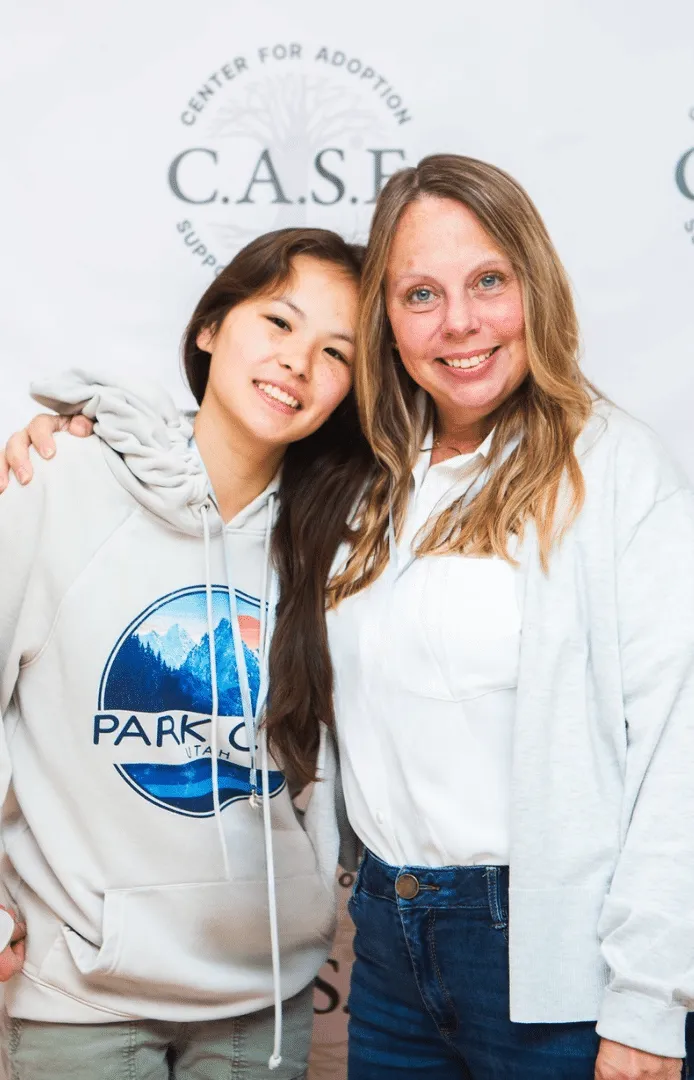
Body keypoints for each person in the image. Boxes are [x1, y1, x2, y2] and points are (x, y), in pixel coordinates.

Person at [7, 155, 694, 1080]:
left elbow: (676, 749)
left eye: (489, 281)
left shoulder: (611, 468)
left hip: (545, 956)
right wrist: (76, 437)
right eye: (419, 294)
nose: (460, 321)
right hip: (385, 955)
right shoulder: (366, 486)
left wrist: (651, 1004)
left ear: (536, 285)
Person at [0, 226, 373, 1080]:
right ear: (210, 328)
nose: (296, 363)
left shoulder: (344, 540)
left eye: (334, 353)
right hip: (82, 999)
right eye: (278, 322)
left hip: (264, 1004)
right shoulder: (61, 480)